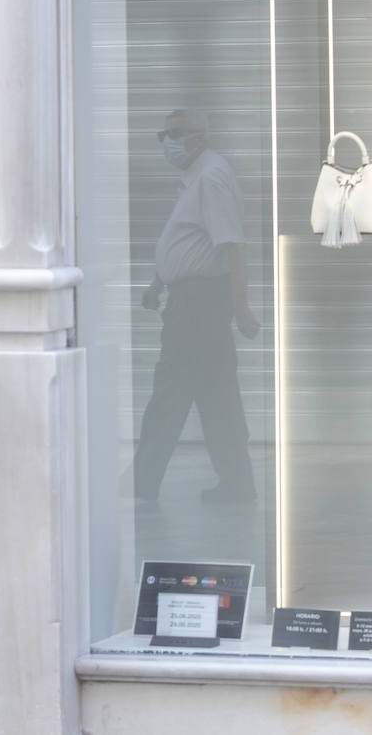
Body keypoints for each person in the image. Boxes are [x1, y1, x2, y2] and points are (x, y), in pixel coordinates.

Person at [132, 108, 260, 503]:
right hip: (193, 300)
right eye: (163, 135)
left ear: (199, 137)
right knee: (217, 395)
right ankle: (237, 484)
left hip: (199, 307)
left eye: (174, 134)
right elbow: (189, 242)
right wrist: (158, 283)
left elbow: (232, 246)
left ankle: (143, 482)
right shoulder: (194, 179)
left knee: (170, 393)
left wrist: (241, 310)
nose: (166, 143)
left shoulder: (210, 178)